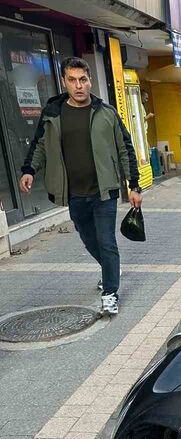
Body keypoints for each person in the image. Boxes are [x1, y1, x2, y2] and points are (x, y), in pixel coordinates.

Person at [19, 56, 140, 316]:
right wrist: (29, 170)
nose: (78, 86)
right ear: (64, 82)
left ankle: (110, 292)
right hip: (73, 193)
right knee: (89, 240)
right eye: (72, 80)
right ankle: (111, 269)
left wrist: (135, 185)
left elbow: (124, 149)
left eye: (83, 80)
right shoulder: (54, 113)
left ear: (90, 81)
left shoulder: (106, 113)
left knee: (107, 242)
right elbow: (40, 144)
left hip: (104, 191)